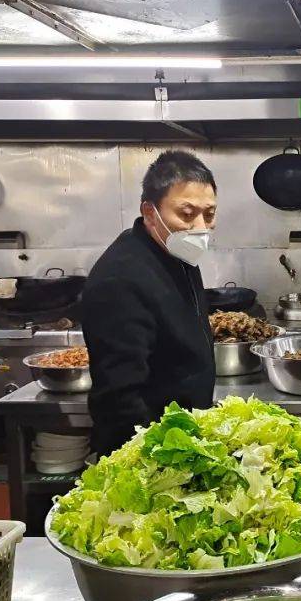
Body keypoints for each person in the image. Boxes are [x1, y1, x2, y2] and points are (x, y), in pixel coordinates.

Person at [81, 150, 218, 456]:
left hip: (183, 440)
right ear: (149, 212)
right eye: (186, 213)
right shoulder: (121, 279)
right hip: (148, 453)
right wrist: (157, 463)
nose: (200, 227)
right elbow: (119, 397)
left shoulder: (177, 255)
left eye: (208, 214)